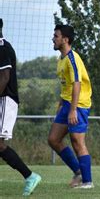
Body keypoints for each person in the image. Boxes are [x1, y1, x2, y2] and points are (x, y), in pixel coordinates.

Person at [47, 24, 93, 189]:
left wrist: (73, 109)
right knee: (53, 139)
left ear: (65, 40)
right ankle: (78, 171)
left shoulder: (72, 58)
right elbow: (65, 85)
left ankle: (87, 182)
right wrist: (61, 105)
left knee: (77, 141)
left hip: (79, 104)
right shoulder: (61, 59)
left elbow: (77, 84)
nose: (53, 38)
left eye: (56, 36)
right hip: (67, 103)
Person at [0, 18, 42, 196]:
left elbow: (4, 77)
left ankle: (30, 176)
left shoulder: (2, 48)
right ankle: (30, 176)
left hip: (5, 101)